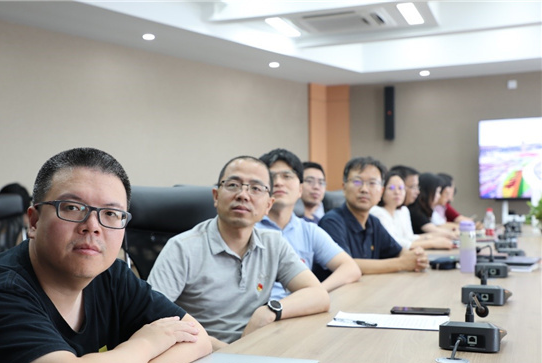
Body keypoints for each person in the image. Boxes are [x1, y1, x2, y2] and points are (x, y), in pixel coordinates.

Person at [0, 148, 212, 363]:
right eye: (72, 208)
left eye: (111, 213)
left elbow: (197, 339)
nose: (92, 226)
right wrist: (146, 343)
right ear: (34, 221)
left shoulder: (110, 275)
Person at [147, 155, 330, 350]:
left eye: (256, 188)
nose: (243, 195)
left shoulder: (273, 243)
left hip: (257, 349)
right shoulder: (182, 248)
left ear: (268, 205)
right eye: (233, 185)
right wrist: (223, 350)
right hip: (200, 355)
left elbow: (319, 295)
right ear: (216, 196)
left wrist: (269, 311)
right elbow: (152, 317)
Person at [257, 149, 361, 299]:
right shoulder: (247, 229)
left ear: (300, 189)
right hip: (262, 309)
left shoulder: (308, 230)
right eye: (272, 177)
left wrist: (316, 292)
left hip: (301, 307)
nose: (279, 182)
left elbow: (350, 268)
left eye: (287, 176)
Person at [318, 157, 430, 276]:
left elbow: (399, 251)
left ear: (381, 191)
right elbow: (346, 265)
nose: (364, 189)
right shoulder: (331, 222)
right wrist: (402, 263)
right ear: (344, 188)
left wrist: (417, 257)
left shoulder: (373, 222)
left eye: (372, 183)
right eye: (357, 182)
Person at [370, 171, 454, 250]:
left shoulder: (403, 211)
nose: (397, 192)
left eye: (401, 188)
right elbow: (394, 243)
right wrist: (433, 243)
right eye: (391, 188)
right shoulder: (376, 212)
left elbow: (409, 237)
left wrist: (432, 237)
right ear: (382, 190)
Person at [408, 172, 458, 239]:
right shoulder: (415, 210)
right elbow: (434, 230)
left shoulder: (424, 209)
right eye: (437, 192)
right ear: (428, 192)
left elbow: (439, 226)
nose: (439, 196)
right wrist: (454, 233)